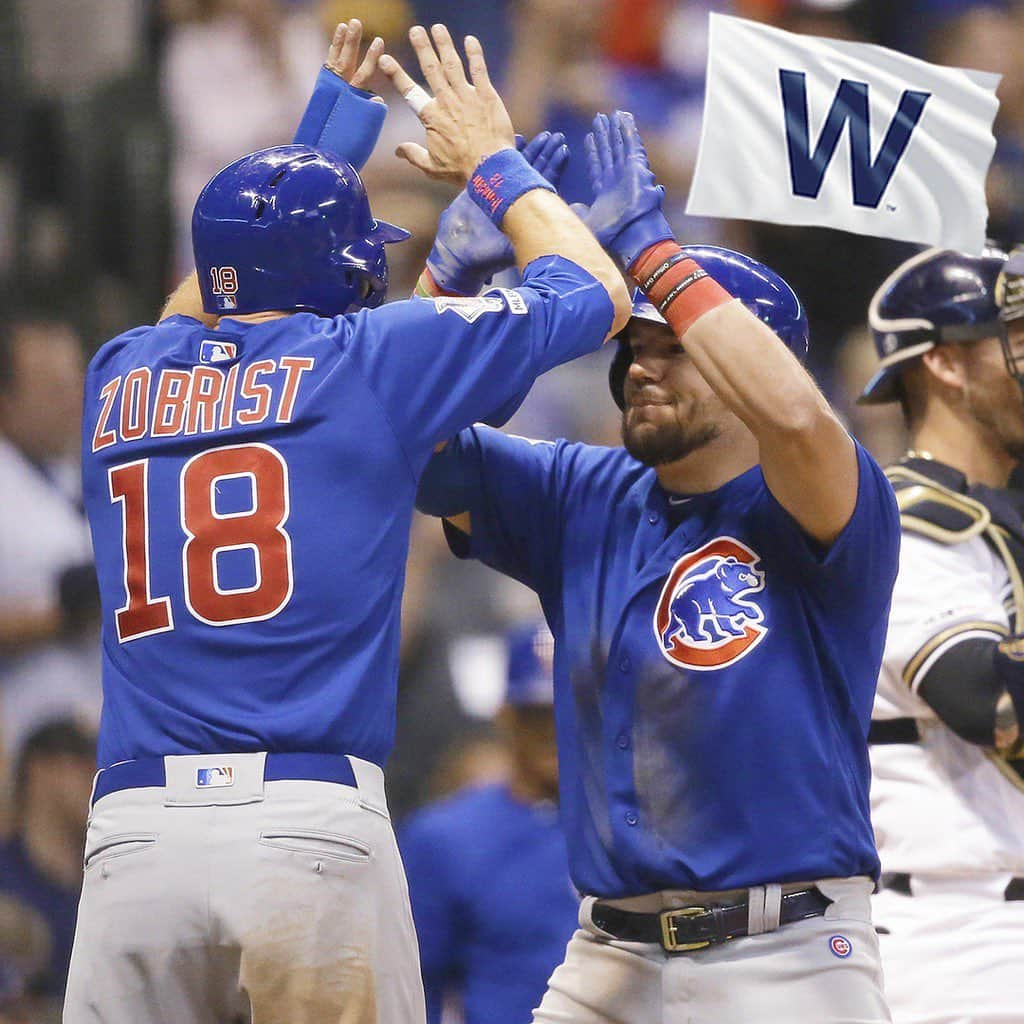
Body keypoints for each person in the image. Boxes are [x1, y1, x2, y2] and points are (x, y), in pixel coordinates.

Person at [65, 21, 630, 1024]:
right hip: (301, 821)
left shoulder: (120, 370)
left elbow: (209, 291)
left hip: (134, 836)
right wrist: (493, 163)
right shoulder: (368, 356)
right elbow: (594, 289)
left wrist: (314, 146)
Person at [415, 110, 900, 1023]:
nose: (644, 367)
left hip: (787, 955)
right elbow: (412, 449)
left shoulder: (829, 499)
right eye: (636, 347)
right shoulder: (578, 491)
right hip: (608, 954)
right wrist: (450, 290)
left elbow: (797, 423)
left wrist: (654, 253)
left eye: (675, 347)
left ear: (755, 365)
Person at [858, 246, 1024, 1024]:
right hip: (959, 936)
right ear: (949, 366)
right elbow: (988, 701)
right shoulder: (908, 523)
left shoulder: (1001, 520)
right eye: (1016, 339)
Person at [400, 621, 578, 1024]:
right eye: (538, 716)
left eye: (568, 711)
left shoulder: (635, 832)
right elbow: (416, 985)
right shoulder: (443, 837)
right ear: (506, 716)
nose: (554, 731)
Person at [0, 318, 101, 767]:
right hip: (24, 749)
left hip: (91, 735)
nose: (73, 401)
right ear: (7, 398)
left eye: (76, 383)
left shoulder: (69, 474)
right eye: (54, 389)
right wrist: (60, 615)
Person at [0, 720, 95, 1004]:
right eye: (82, 765)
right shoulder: (5, 875)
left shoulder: (105, 875)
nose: (95, 780)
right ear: (40, 769)